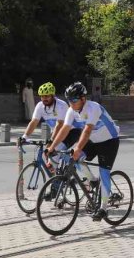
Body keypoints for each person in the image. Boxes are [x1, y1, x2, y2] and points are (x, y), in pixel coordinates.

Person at [47, 82, 120, 221]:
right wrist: (52, 148)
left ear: (83, 98)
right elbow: (64, 129)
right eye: (69, 100)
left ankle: (103, 208)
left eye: (74, 100)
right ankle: (93, 181)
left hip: (109, 141)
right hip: (93, 141)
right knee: (74, 159)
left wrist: (78, 148)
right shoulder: (71, 110)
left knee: (104, 172)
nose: (71, 103)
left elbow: (86, 131)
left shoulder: (93, 108)